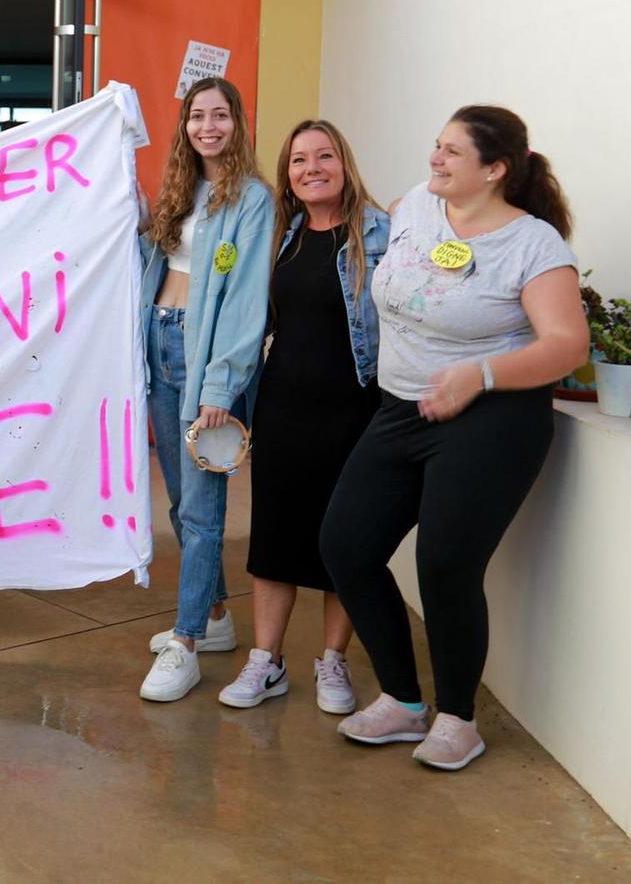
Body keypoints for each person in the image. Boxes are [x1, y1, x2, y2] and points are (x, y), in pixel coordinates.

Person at [319, 105, 588, 770]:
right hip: (404, 406)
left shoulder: (534, 244)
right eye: (436, 146)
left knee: (444, 565)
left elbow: (567, 345)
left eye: (452, 152)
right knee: (345, 545)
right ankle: (405, 701)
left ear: (495, 170)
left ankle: (458, 718)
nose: (435, 158)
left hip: (492, 418)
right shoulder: (414, 206)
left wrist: (482, 372)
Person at [217, 120, 387, 714]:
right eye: (297, 161)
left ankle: (332, 661)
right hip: (284, 407)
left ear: (345, 162)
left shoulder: (382, 233)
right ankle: (267, 661)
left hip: (357, 410)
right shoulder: (280, 236)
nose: (311, 168)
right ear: (287, 174)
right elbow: (246, 318)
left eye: (324, 156)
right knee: (275, 536)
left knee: (342, 539)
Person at [136, 77, 275, 703]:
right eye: (197, 116)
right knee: (180, 501)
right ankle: (216, 617)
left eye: (220, 115)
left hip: (206, 359)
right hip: (160, 341)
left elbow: (247, 299)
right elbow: (150, 261)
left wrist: (221, 382)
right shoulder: (180, 189)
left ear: (237, 123)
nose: (208, 126)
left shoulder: (252, 199)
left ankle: (187, 641)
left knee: (201, 507)